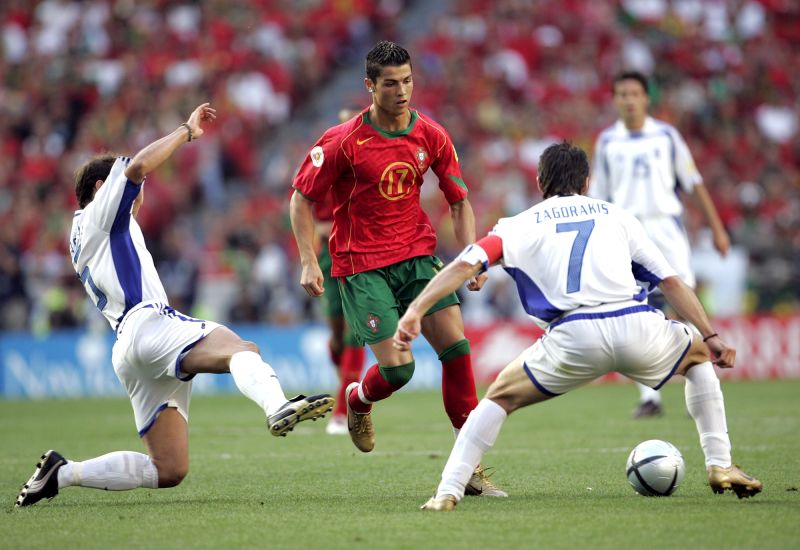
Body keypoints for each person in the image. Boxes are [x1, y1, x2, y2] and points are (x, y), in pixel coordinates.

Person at [393, 142, 762, 511]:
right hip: (636, 325)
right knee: (697, 356)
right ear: (587, 182)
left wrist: (415, 309)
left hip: (573, 336)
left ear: (539, 181)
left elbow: (463, 264)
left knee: (498, 399)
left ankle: (448, 491)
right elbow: (671, 282)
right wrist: (710, 336)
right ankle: (720, 464)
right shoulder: (618, 216)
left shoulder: (517, 224)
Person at [16, 104, 334, 507]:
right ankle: (277, 406)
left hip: (127, 348)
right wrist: (186, 131)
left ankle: (64, 472)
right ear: (101, 188)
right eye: (125, 184)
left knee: (168, 468)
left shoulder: (80, 235)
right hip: (148, 323)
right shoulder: (100, 213)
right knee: (240, 350)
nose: (140, 193)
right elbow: (136, 168)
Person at [290, 41, 504, 496]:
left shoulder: (431, 134)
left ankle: (467, 472)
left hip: (417, 258)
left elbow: (460, 201)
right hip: (362, 266)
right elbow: (301, 199)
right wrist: (309, 259)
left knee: (458, 354)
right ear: (370, 86)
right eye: (391, 83)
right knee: (399, 372)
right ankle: (358, 399)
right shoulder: (343, 140)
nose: (402, 91)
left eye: (407, 81)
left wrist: (470, 256)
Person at [589, 70, 731, 418]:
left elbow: (694, 183)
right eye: (621, 94)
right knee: (636, 308)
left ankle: (702, 384)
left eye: (634, 93)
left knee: (683, 303)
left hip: (666, 228)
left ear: (646, 98)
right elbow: (599, 196)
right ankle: (649, 396)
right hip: (627, 230)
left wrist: (717, 228)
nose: (628, 100)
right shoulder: (608, 142)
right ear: (614, 99)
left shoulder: (667, 136)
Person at [318, 108, 368, 435]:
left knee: (355, 333)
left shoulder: (373, 169)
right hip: (330, 258)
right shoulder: (325, 166)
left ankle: (343, 410)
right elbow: (304, 211)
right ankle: (348, 387)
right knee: (338, 338)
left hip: (364, 259)